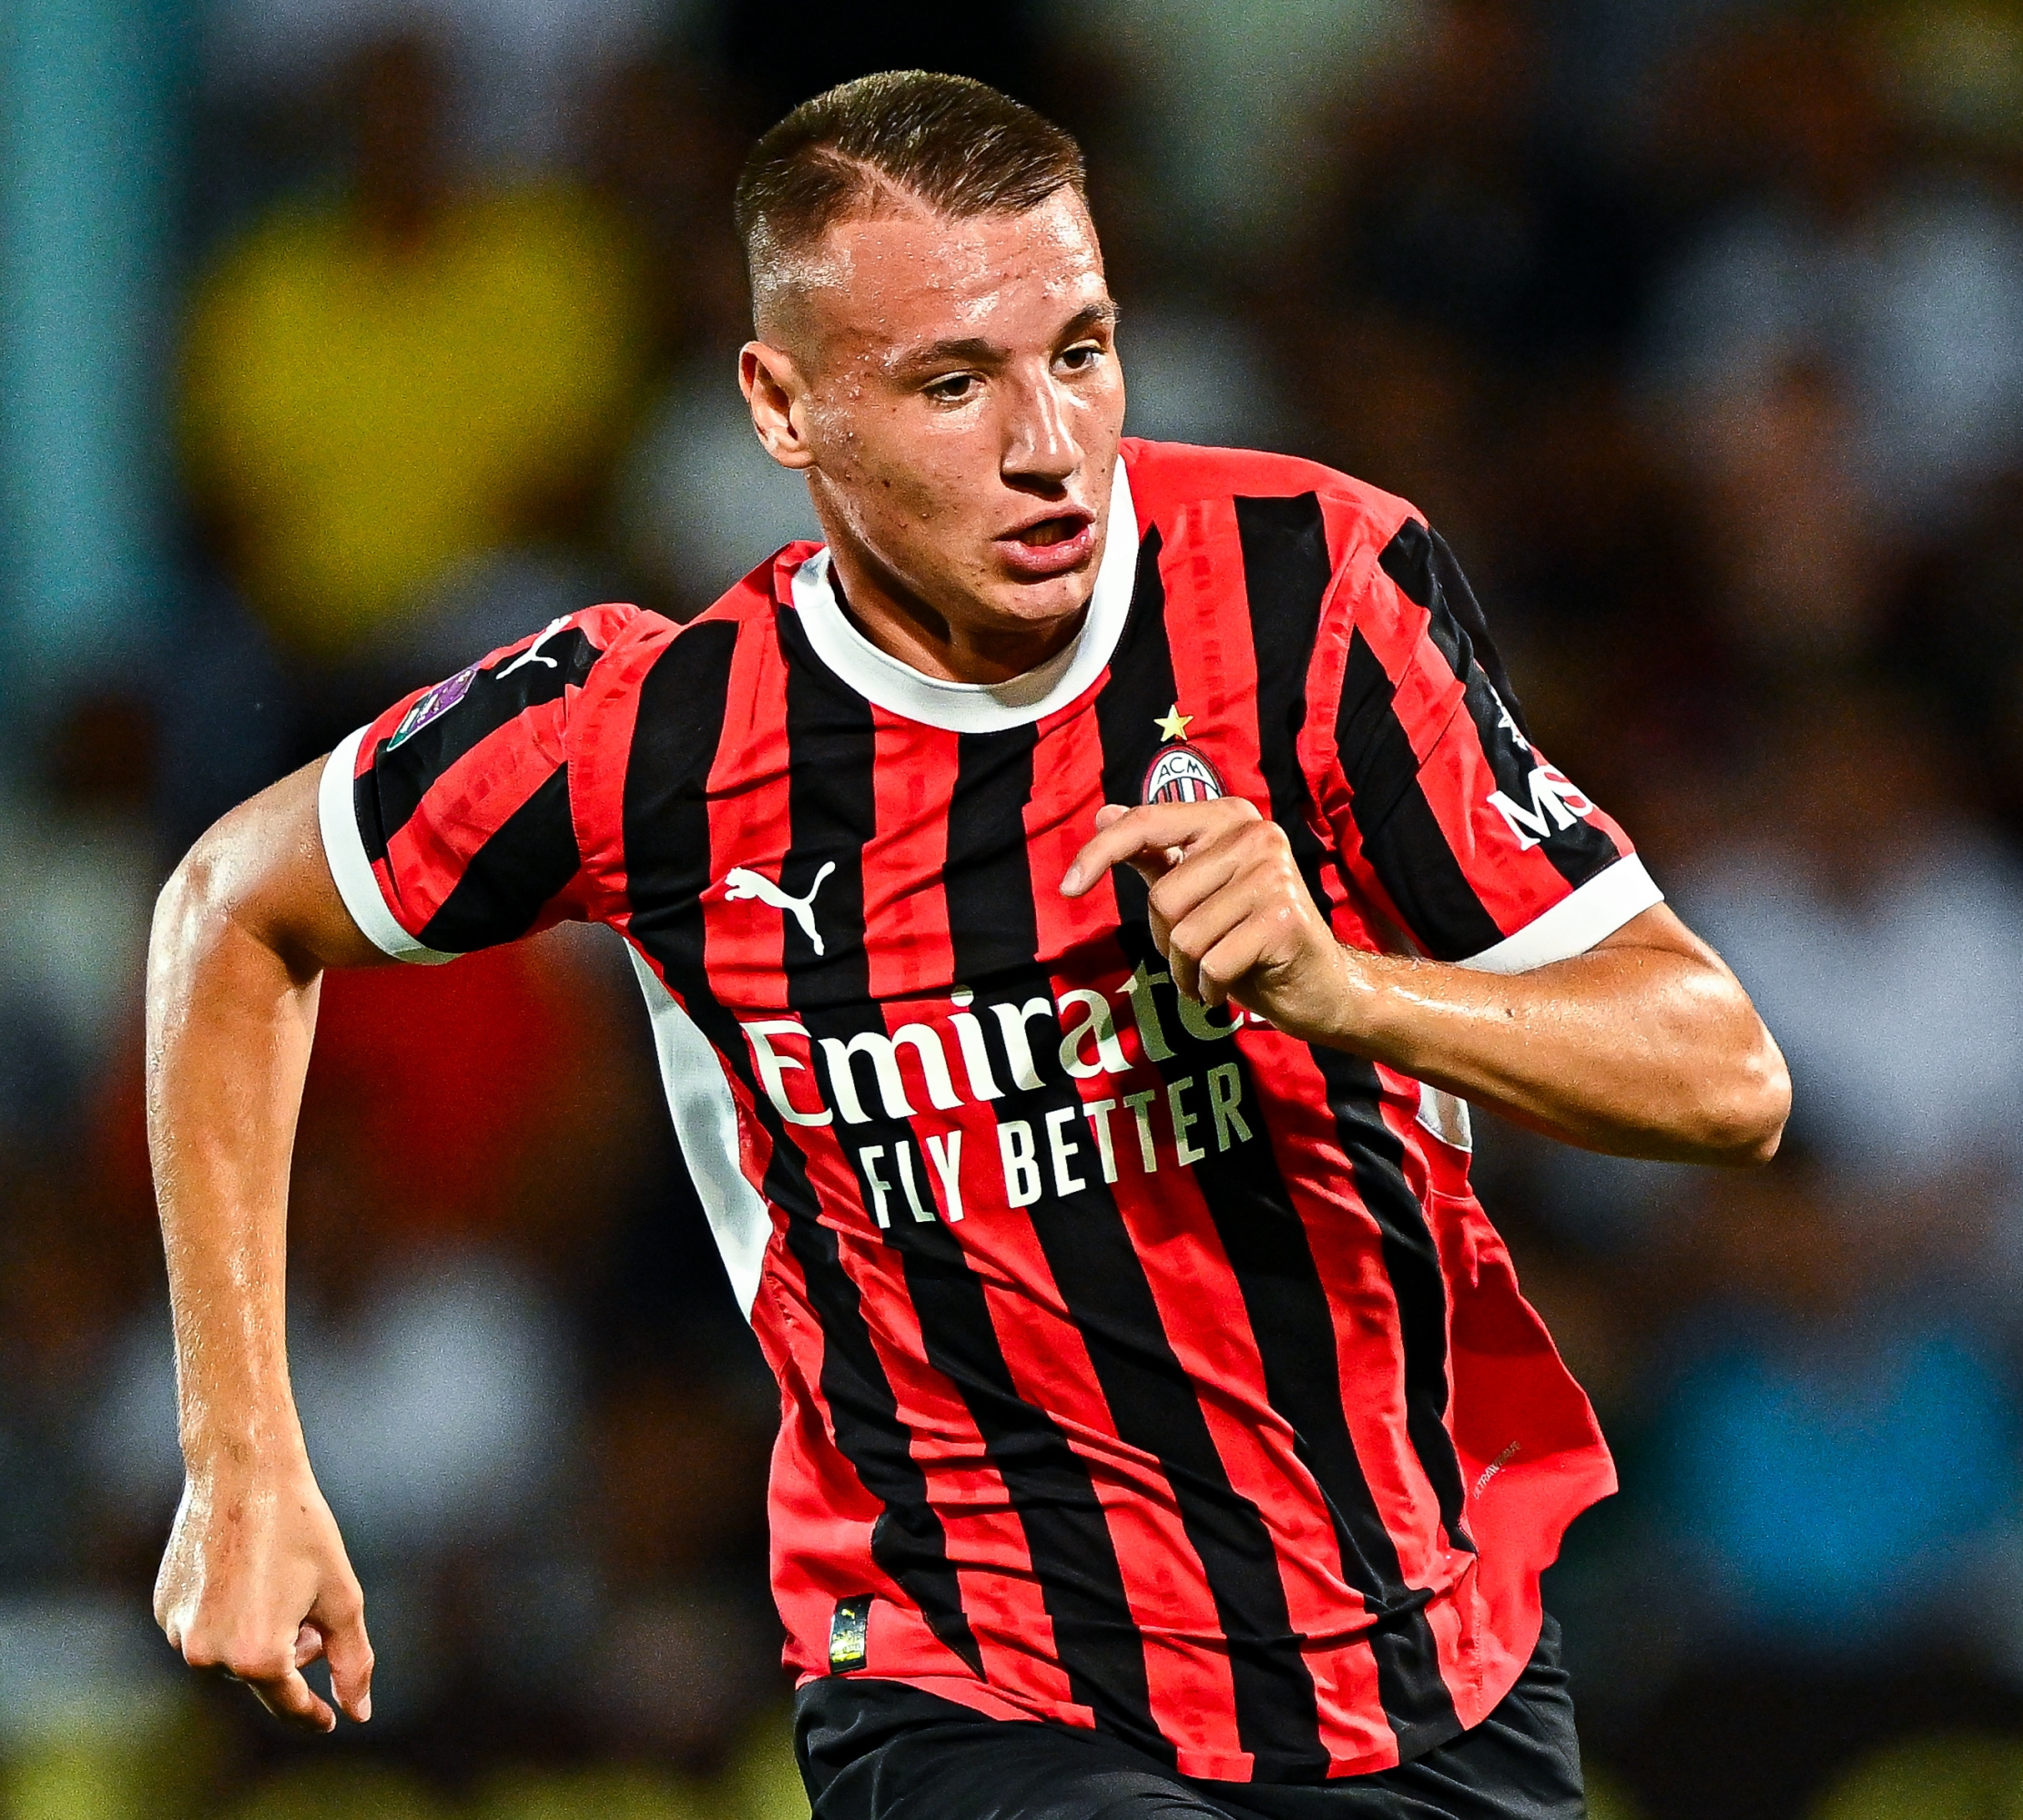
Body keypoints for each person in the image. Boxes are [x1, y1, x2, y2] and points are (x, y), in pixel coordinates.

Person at [145, 72, 1790, 1820]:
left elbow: (1725, 1074)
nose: (1046, 444)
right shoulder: (659, 733)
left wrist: (1347, 989)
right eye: (952, 384)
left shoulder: (1312, 587)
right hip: (971, 1685)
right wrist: (242, 1455)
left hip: (1425, 1659)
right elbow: (229, 913)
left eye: (1079, 351)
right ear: (781, 406)